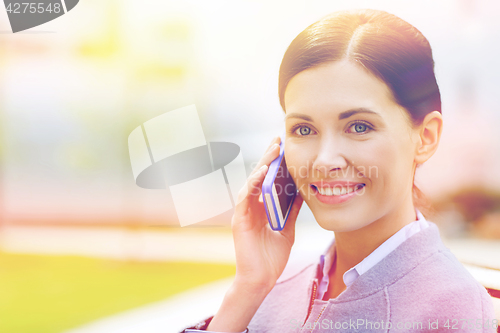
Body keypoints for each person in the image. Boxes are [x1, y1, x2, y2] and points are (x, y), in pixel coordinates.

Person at [181, 8, 496, 333]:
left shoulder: (452, 310)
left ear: (425, 138)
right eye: (304, 129)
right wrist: (248, 287)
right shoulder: (276, 283)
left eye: (359, 126)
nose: (324, 160)